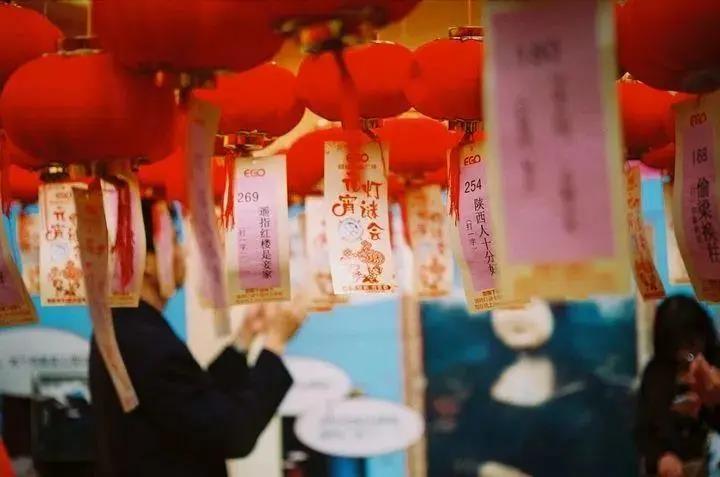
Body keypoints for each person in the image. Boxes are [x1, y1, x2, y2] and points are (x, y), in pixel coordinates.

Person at [90, 199, 303, 477]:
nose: (184, 252)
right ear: (147, 262)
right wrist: (274, 344)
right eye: (174, 241)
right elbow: (230, 433)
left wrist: (245, 337)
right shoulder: (143, 339)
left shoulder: (127, 327)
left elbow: (195, 403)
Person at [636, 295, 720, 477]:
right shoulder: (656, 372)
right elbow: (643, 427)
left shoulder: (714, 366)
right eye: (677, 346)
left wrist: (712, 401)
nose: (686, 354)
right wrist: (660, 456)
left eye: (692, 343)